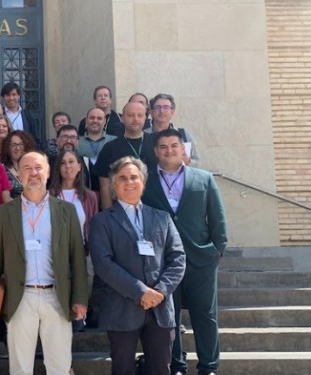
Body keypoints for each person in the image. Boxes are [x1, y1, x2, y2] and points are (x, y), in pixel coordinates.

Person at [0, 151, 90, 375]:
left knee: (59, 366)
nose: (33, 173)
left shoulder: (66, 210)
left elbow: (77, 258)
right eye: (27, 168)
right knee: (20, 367)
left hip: (57, 296)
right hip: (20, 298)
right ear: (19, 176)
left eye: (38, 168)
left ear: (48, 172)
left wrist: (80, 298)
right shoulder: (5, 212)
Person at [88, 156, 186, 375]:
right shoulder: (102, 221)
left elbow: (178, 259)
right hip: (121, 309)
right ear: (114, 185)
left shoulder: (162, 218)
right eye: (122, 178)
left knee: (161, 369)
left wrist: (160, 291)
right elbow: (104, 265)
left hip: (160, 310)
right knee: (122, 370)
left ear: (143, 182)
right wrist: (140, 291)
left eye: (134, 177)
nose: (129, 182)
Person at [142, 129, 227, 375]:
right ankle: (176, 365)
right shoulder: (146, 182)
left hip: (200, 259)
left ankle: (209, 366)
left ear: (183, 149)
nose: (169, 150)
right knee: (170, 316)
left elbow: (217, 218)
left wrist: (217, 250)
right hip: (163, 261)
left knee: (205, 315)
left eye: (174, 146)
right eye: (164, 147)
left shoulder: (203, 178)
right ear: (156, 151)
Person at [94, 102, 158, 209]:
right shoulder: (110, 148)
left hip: (154, 207)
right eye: (130, 115)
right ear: (122, 118)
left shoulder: (157, 143)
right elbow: (104, 186)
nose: (135, 119)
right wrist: (109, 215)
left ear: (146, 118)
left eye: (140, 115)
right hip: (121, 209)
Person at [48, 149, 98, 244]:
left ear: (79, 167)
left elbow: (94, 229)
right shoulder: (49, 196)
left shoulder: (90, 196)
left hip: (82, 251)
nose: (67, 166)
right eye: (63, 163)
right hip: (56, 251)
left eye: (71, 161)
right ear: (58, 168)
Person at [145, 93, 201, 167]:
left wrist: (187, 161)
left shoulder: (184, 135)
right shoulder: (143, 135)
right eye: (158, 107)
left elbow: (198, 164)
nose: (162, 111)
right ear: (151, 112)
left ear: (172, 111)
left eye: (166, 107)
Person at [78, 108, 116, 192]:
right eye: (92, 118)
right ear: (86, 120)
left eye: (99, 118)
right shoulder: (77, 143)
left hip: (110, 192)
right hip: (84, 192)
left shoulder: (115, 141)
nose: (95, 121)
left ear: (105, 121)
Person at [0, 130, 36, 199]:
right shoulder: (1, 169)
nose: (18, 148)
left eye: (21, 144)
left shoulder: (34, 168)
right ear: (7, 148)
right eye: (14, 145)